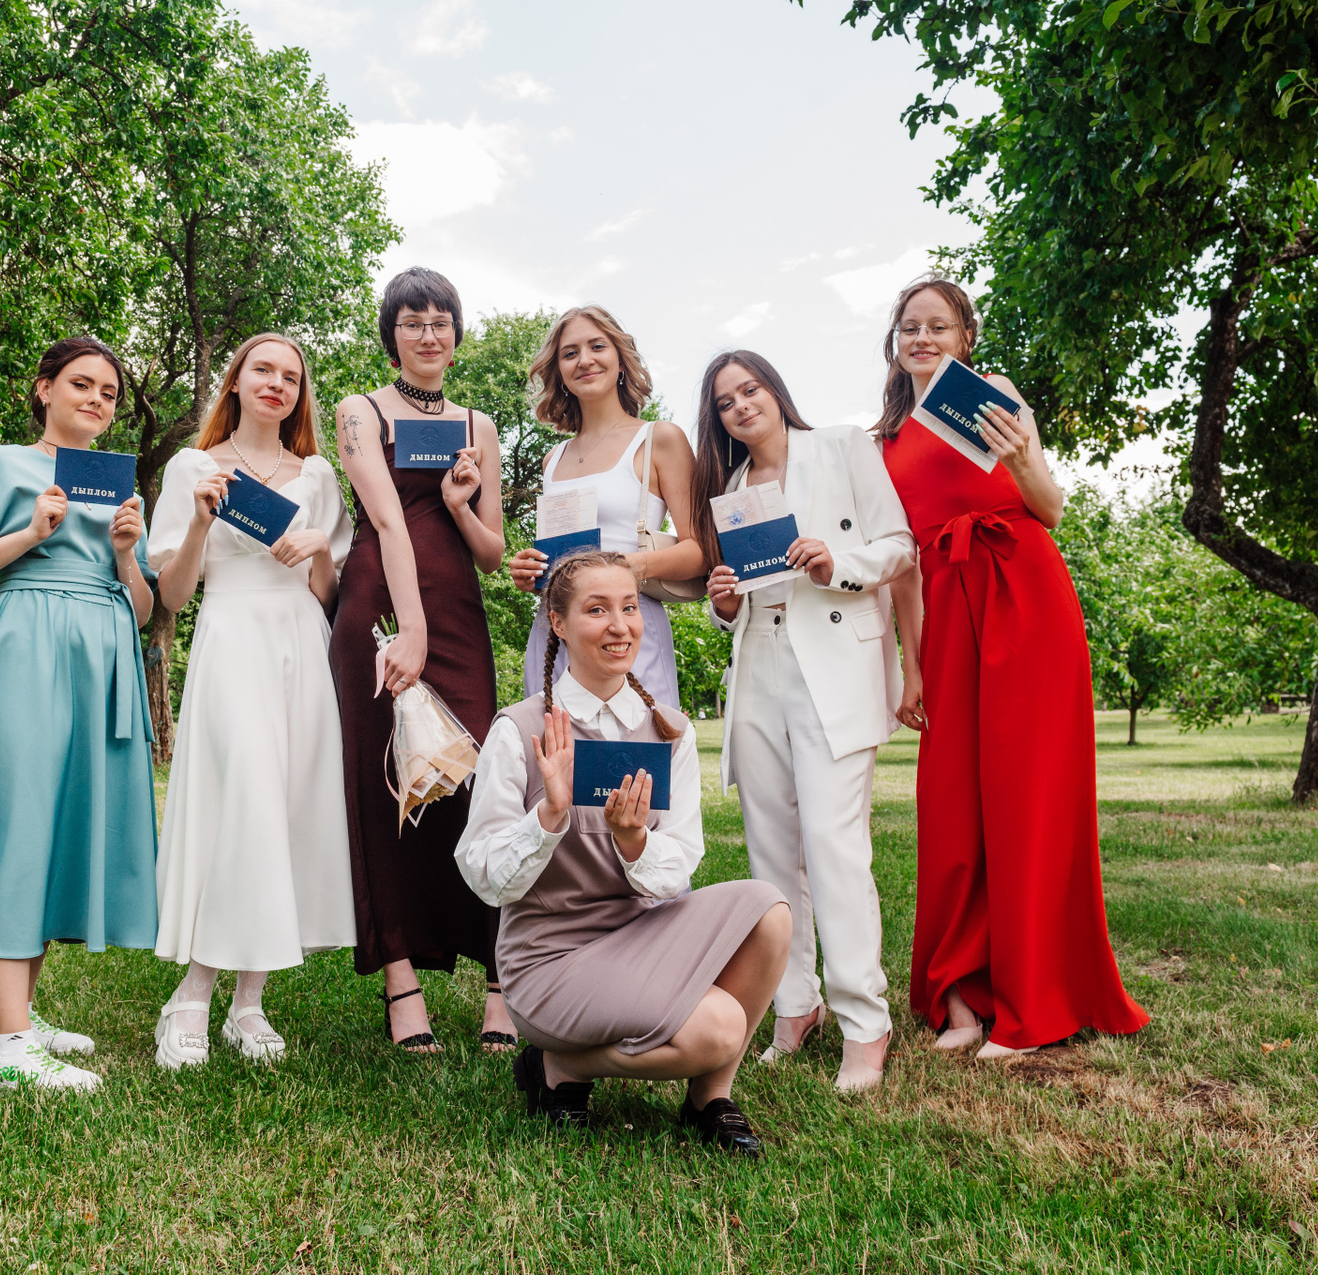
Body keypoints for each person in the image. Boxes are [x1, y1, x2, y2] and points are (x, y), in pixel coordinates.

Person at [876, 276, 1150, 1057]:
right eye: (910, 327)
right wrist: (913, 667)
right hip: (946, 608)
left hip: (1023, 593)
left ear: (965, 337)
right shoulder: (882, 441)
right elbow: (902, 568)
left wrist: (1023, 455)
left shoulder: (993, 394)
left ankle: (1035, 1002)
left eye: (939, 326)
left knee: (1028, 796)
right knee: (953, 803)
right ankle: (963, 991)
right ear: (894, 341)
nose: (923, 338)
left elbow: (1050, 507)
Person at [457, 550, 789, 1153]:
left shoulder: (669, 732)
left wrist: (634, 842)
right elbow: (482, 876)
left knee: (770, 908)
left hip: (642, 936)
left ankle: (709, 1097)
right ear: (558, 623)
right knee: (718, 1028)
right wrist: (548, 816)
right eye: (597, 610)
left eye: (630, 608)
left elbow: (679, 865)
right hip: (551, 959)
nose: (620, 626)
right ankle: (560, 1064)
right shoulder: (520, 729)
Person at [0, 335, 158, 1092]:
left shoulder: (118, 486)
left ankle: (13, 1016)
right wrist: (29, 534)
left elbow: (145, 611)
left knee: (57, 827)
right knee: (20, 821)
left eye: (109, 393)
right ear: (45, 388)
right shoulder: (3, 464)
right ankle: (12, 1051)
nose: (96, 400)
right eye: (82, 384)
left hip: (103, 657)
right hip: (27, 649)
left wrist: (127, 553)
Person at [690, 350, 917, 1092]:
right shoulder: (730, 489)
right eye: (725, 402)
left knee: (832, 844)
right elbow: (739, 603)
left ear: (775, 391)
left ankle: (865, 1021)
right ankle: (794, 1006)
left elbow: (900, 546)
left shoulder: (843, 446)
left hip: (835, 664)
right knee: (771, 850)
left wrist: (835, 561)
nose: (740, 406)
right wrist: (724, 603)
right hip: (760, 664)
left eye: (750, 389)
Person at [146, 333, 354, 1069]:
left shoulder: (317, 476)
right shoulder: (193, 466)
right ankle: (190, 997)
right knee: (243, 801)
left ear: (300, 395)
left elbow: (328, 596)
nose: (276, 383)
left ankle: (249, 1004)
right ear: (235, 381)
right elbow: (173, 594)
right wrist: (202, 520)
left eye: (290, 376)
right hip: (232, 639)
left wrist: (320, 551)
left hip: (300, 644)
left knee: (287, 808)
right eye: (262, 370)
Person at [331, 267, 517, 1053]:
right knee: (387, 791)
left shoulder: (480, 425)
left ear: (457, 334)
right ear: (392, 335)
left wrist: (457, 504)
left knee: (482, 784)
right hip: (380, 608)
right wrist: (409, 630)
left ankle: (502, 981)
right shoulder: (359, 411)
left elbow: (493, 552)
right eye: (412, 321)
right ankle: (401, 984)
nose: (428, 333)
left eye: (441, 320)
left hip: (458, 611)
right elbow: (384, 520)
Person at [506, 306, 704, 708]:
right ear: (559, 371)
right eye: (570, 353)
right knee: (556, 744)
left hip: (626, 626)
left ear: (620, 360)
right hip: (555, 630)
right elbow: (560, 555)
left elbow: (701, 551)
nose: (584, 360)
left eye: (597, 346)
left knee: (637, 743)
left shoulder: (660, 439)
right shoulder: (552, 460)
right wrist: (532, 570)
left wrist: (627, 568)